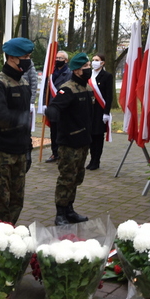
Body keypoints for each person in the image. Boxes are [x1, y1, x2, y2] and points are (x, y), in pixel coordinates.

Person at [0, 37, 35, 224]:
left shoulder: (23, 84)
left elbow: (26, 123)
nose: (28, 60)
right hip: (0, 155)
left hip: (19, 153)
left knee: (16, 202)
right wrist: (20, 119)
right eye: (26, 56)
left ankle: (10, 241)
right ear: (12, 57)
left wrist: (28, 148)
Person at [45, 53, 93, 225]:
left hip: (83, 142)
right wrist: (53, 112)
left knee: (77, 177)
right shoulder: (68, 89)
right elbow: (55, 107)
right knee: (66, 178)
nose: (89, 69)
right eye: (86, 66)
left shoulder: (87, 88)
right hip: (69, 143)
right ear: (78, 70)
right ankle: (60, 214)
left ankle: (70, 210)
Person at [87, 53, 113, 170]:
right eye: (93, 60)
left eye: (96, 60)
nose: (94, 62)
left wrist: (106, 112)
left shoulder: (107, 76)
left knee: (98, 136)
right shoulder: (89, 75)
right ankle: (91, 159)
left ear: (102, 63)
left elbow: (109, 96)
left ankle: (96, 161)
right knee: (90, 136)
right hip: (89, 110)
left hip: (100, 111)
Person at [45, 50, 72, 163]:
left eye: (60, 58)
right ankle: (55, 153)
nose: (57, 60)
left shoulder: (69, 74)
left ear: (66, 61)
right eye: (56, 58)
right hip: (52, 106)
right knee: (54, 131)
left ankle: (63, 154)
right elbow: (46, 90)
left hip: (63, 107)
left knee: (63, 131)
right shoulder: (51, 73)